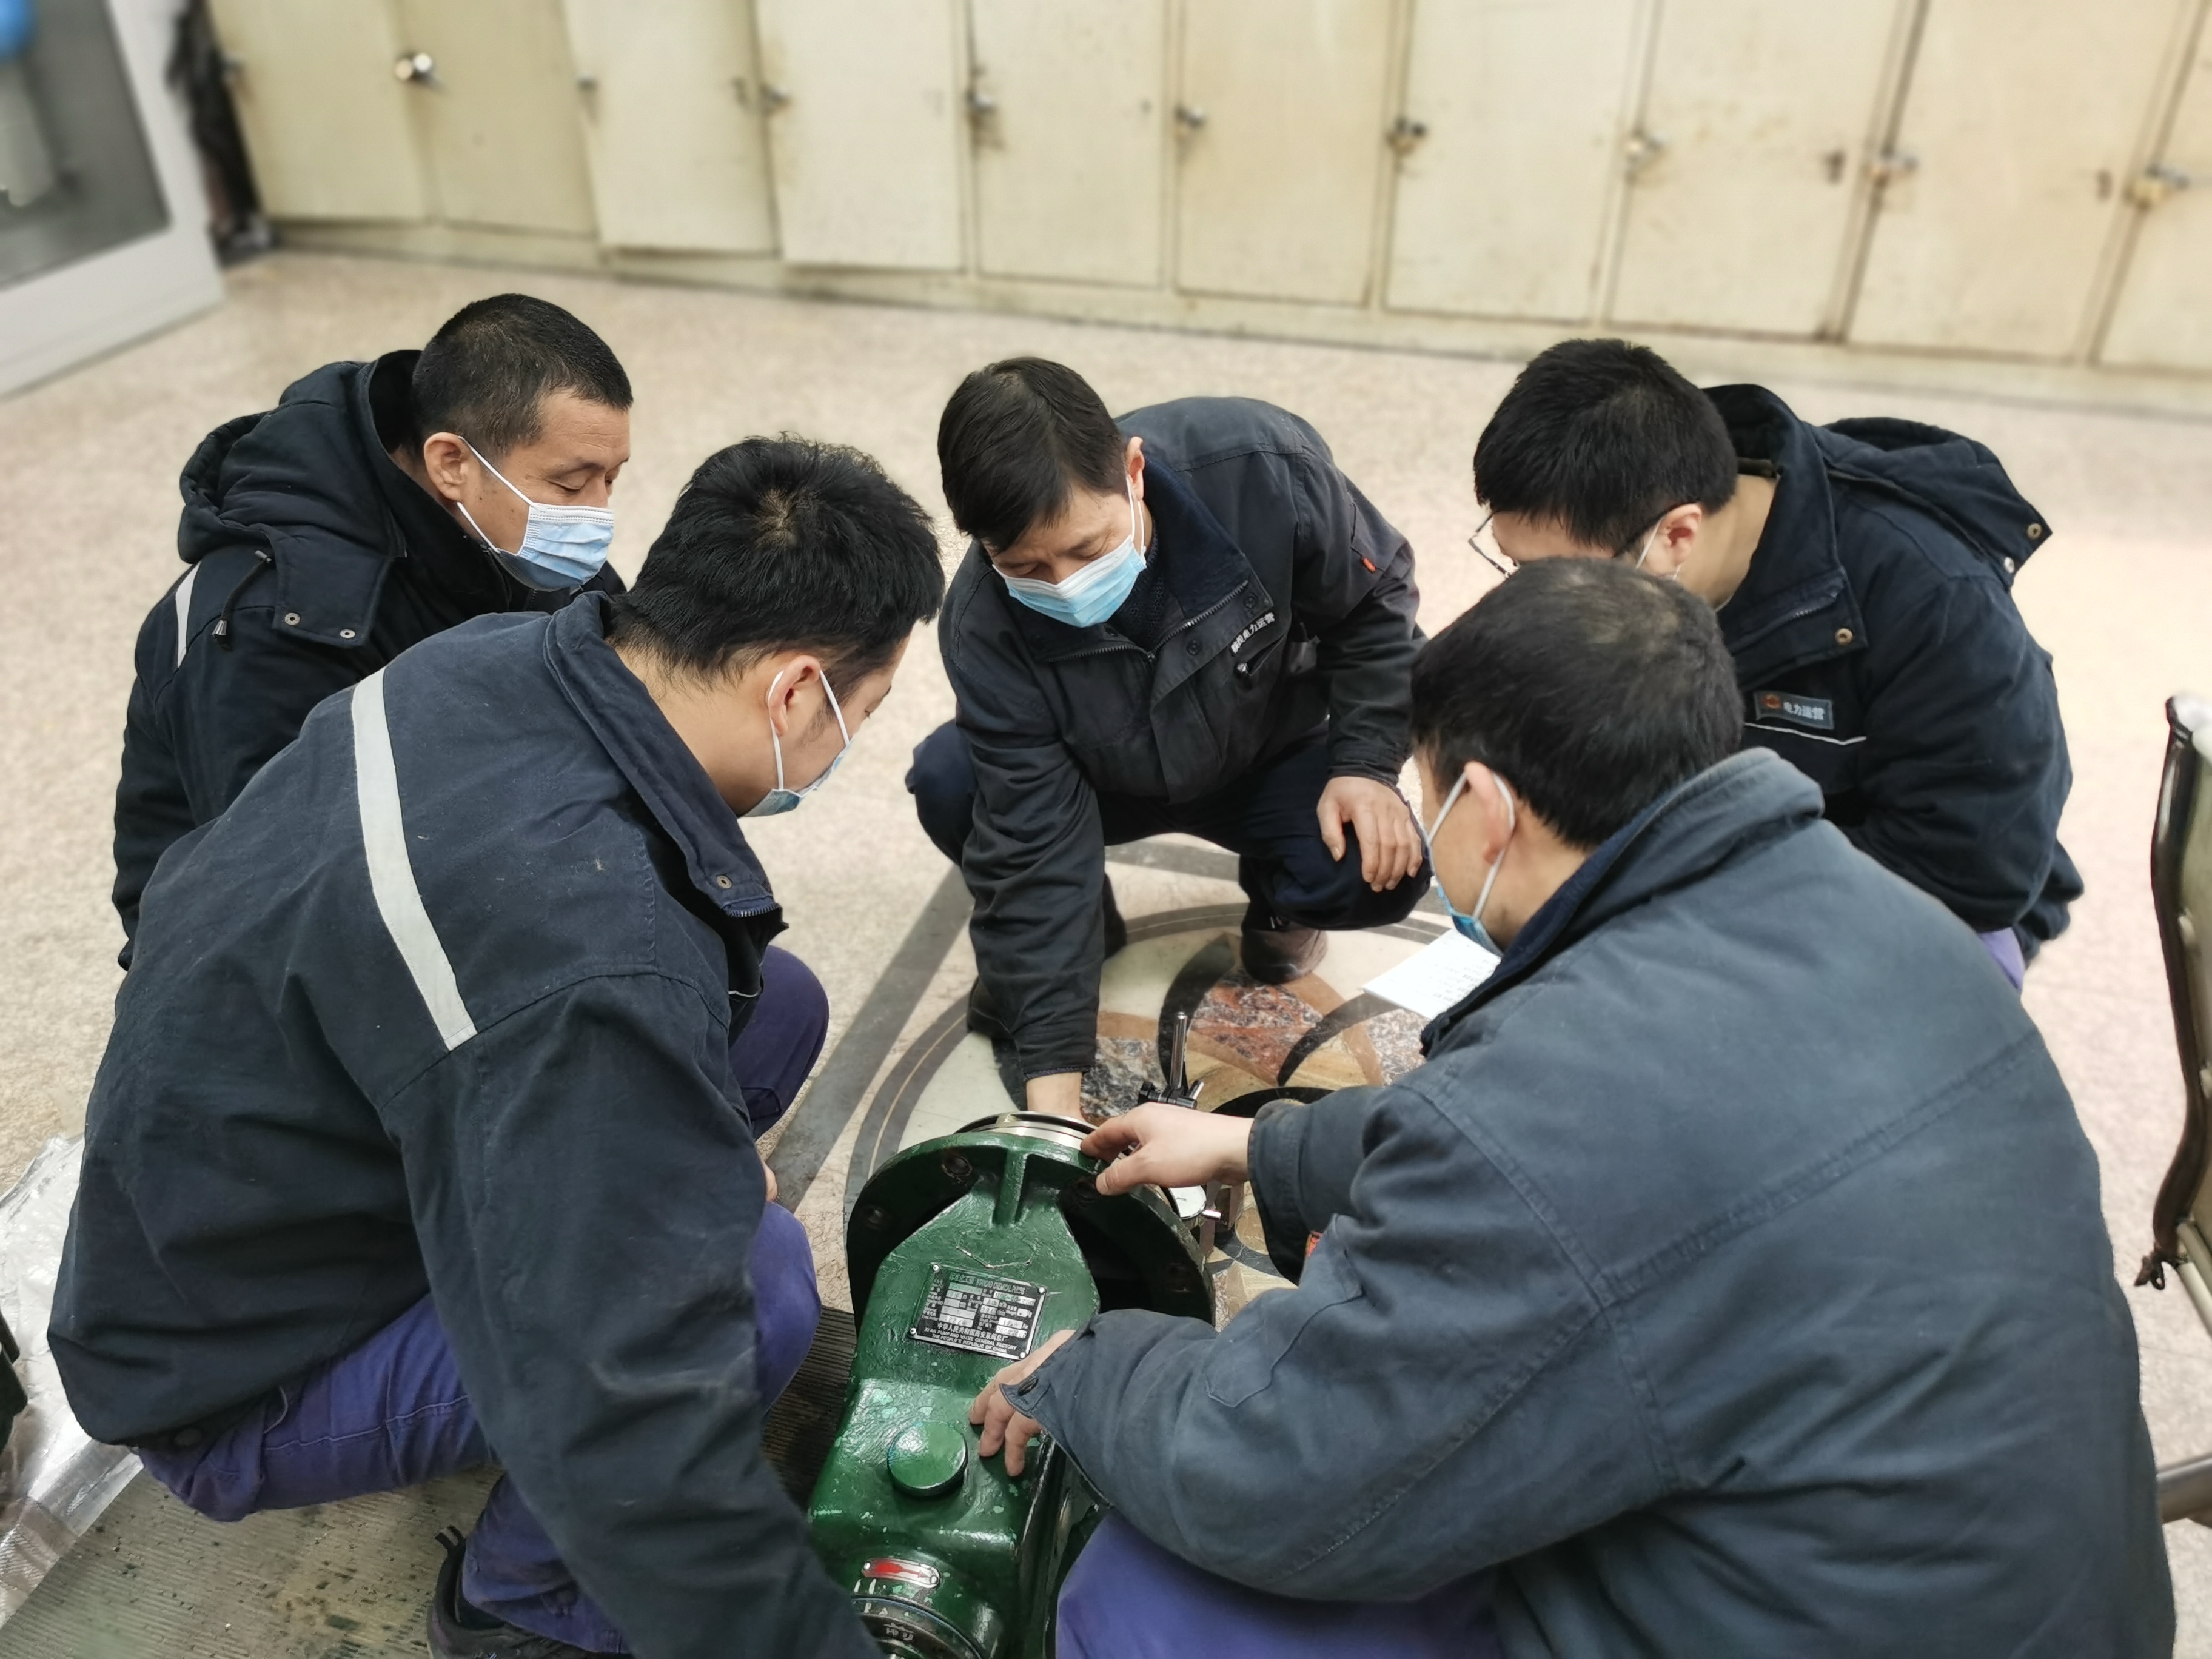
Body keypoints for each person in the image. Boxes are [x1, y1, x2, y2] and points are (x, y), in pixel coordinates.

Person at [972, 559, 2168, 1657]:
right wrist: (1262, 1147)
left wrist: (1095, 1370)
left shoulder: (1552, 1104)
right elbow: (1607, 1166)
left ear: (1489, 808)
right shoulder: (1895, 920)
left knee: (1145, 1596)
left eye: (1429, 795)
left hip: (1782, 1618)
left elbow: (1281, 1475)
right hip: (2033, 1600)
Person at [52, 438, 946, 1659]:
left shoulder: (493, 659)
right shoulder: (589, 952)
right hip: (225, 1373)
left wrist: (658, 1158)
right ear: (796, 691)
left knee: (770, 1004)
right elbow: (641, 1425)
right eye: (863, 713)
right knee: (751, 1289)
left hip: (236, 1188)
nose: (845, 745)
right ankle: (521, 1603)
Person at [1465, 338, 2077, 990]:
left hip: (1917, 914)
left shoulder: (1937, 602)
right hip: (1701, 870)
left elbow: (1973, 873)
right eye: (1516, 565)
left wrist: (1681, 880)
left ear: (1677, 535)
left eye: (1551, 575)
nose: (1532, 598)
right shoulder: (1633, 542)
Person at [908, 358, 1428, 1117]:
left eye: (1088, 550)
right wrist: (1052, 1088)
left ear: (1134, 470)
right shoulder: (982, 623)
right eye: (1025, 567)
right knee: (954, 782)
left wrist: (1366, 764)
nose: (1064, 586)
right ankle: (1085, 932)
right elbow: (1030, 841)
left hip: (1266, 749)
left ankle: (1280, 905)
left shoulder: (1264, 471)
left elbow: (1377, 604)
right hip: (1099, 779)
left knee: (1371, 864)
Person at [112, 292, 634, 962]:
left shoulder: (513, 534)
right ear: (452, 464)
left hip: (465, 869)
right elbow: (294, 890)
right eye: (571, 485)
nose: (597, 514)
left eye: (611, 480)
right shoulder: (273, 622)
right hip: (265, 957)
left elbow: (632, 685)